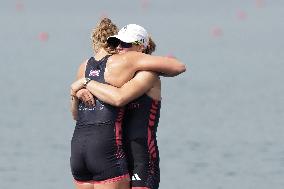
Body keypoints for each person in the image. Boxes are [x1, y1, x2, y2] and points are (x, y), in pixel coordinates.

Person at [70, 18, 186, 189]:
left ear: (141, 46)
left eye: (125, 44)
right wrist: (78, 92)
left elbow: (119, 98)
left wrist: (86, 83)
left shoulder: (148, 74)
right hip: (117, 153)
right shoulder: (122, 72)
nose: (118, 48)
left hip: (142, 157)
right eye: (117, 43)